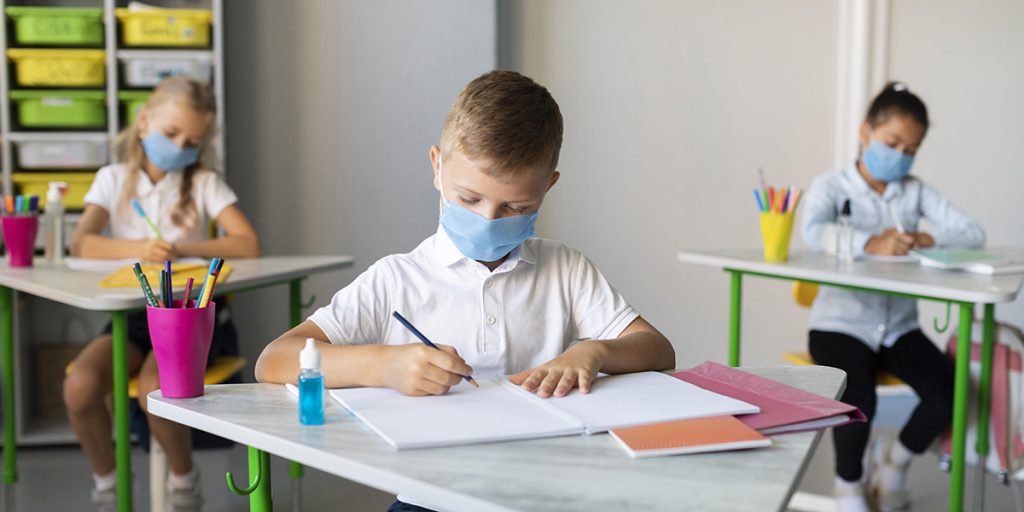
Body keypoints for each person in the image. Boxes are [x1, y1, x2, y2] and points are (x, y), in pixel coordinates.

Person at [255, 70, 676, 512]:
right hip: (429, 498)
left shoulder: (565, 269)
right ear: (437, 167)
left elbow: (657, 349)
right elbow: (275, 360)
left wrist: (594, 353)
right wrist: (386, 365)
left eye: (516, 207)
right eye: (469, 200)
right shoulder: (397, 279)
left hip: (542, 493)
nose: (490, 220)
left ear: (548, 186)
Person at [64, 76, 261, 512]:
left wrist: (182, 248)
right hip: (134, 317)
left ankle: (183, 480)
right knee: (80, 385)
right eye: (171, 134)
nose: (180, 147)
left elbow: (247, 243)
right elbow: (81, 243)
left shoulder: (204, 181)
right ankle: (107, 486)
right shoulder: (112, 180)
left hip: (187, 318)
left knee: (159, 387)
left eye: (192, 141)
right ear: (143, 121)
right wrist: (138, 250)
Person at [801, 82, 984, 512]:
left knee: (950, 393)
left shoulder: (916, 192)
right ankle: (849, 483)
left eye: (912, 148)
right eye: (892, 142)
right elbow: (814, 234)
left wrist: (927, 237)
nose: (901, 155)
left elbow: (972, 232)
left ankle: (894, 463)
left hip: (898, 328)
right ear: (866, 132)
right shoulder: (830, 186)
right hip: (839, 324)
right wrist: (870, 243)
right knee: (857, 398)